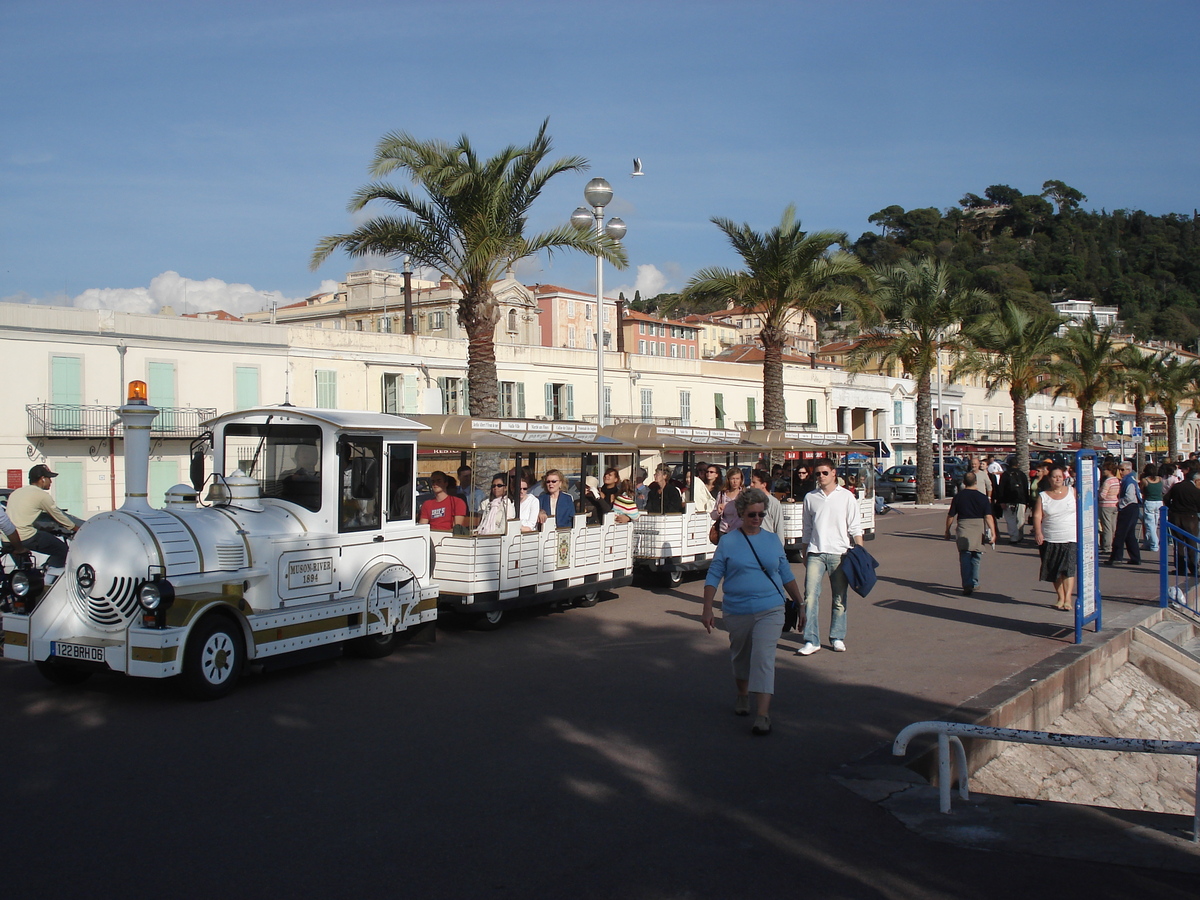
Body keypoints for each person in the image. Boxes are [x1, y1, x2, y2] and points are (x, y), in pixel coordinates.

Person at [700, 488, 803, 736]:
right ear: (741, 514)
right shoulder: (729, 541)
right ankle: (743, 694)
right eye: (752, 514)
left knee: (764, 658)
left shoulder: (771, 540)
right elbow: (714, 574)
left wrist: (801, 603)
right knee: (741, 655)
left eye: (760, 514)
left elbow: (785, 574)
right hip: (737, 609)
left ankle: (763, 714)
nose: (757, 519)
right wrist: (706, 608)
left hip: (771, 608)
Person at [796, 458, 864, 656]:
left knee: (839, 597)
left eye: (825, 473)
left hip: (840, 552)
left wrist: (860, 553)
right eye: (817, 474)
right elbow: (807, 527)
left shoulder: (846, 497)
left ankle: (837, 637)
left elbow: (855, 527)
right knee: (810, 597)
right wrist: (805, 550)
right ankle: (811, 639)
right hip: (816, 552)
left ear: (834, 473)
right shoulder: (811, 497)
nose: (821, 477)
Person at [4, 464, 77, 569]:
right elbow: (58, 515)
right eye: (49, 478)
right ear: (42, 479)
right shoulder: (41, 495)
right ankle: (49, 577)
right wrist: (75, 528)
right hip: (25, 537)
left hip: (7, 538)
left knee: (25, 569)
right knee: (63, 551)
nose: (51, 482)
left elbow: (21, 516)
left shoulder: (17, 492)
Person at [944, 471, 997, 596]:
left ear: (964, 482)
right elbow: (988, 516)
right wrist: (993, 532)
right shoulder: (982, 497)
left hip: (963, 527)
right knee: (976, 556)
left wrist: (947, 530)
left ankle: (967, 583)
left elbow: (951, 516)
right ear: (976, 482)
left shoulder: (959, 497)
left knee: (965, 556)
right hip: (978, 528)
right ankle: (974, 582)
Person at [1033, 464, 1077, 611]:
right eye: (1054, 476)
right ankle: (1060, 597)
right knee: (1055, 570)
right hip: (1050, 537)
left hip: (1070, 536)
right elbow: (1037, 515)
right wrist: (1038, 532)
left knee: (1068, 569)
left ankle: (1068, 598)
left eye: (1060, 476)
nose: (1058, 479)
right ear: (1049, 479)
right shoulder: (1043, 496)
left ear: (1064, 478)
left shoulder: (1072, 491)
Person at [1167, 464, 1200, 578]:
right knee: (1191, 543)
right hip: (1190, 517)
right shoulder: (1195, 490)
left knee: (1178, 543)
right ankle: (1193, 568)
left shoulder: (1177, 486)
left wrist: (1171, 508)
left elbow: (1166, 498)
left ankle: (1180, 568)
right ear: (1196, 480)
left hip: (1176, 516)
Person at [1107, 460, 1142, 566]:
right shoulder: (1128, 479)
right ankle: (1135, 558)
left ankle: (1117, 558)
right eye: (1119, 469)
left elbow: (1130, 497)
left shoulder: (1129, 481)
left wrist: (1120, 503)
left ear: (1128, 470)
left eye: (1122, 470)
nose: (1120, 472)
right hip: (1132, 508)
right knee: (1130, 535)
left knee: (1120, 534)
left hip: (1129, 508)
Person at [995, 460, 1031, 544]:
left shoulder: (1005, 475)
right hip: (1021, 500)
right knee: (1020, 519)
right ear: (1017, 464)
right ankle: (1020, 535)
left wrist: (1001, 501)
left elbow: (1001, 488)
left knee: (1010, 519)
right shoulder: (1022, 474)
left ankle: (1013, 537)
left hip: (1008, 500)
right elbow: (1026, 489)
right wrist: (1026, 501)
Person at [711, 466, 745, 537]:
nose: (735, 482)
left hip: (739, 530)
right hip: (724, 530)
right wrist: (718, 511)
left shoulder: (744, 494)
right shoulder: (722, 494)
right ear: (728, 480)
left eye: (737, 479)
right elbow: (713, 516)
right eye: (732, 479)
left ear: (741, 480)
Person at [1097, 459, 1121, 555]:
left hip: (1105, 504)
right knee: (1113, 526)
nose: (1103, 471)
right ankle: (1113, 544)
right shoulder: (1116, 480)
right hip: (1114, 504)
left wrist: (1098, 493)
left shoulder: (1107, 481)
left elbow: (1103, 494)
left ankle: (1107, 547)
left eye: (1105, 469)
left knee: (1106, 527)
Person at [749, 469, 783, 533]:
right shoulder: (750, 501)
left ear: (764, 485)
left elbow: (779, 527)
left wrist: (780, 542)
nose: (751, 485)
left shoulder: (774, 503)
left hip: (768, 540)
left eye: (754, 482)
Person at [1140, 462, 1164, 552]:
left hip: (1149, 502)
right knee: (1155, 523)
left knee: (1150, 524)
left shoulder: (1145, 480)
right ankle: (1147, 542)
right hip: (1159, 502)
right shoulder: (1160, 479)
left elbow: (1142, 490)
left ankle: (1154, 544)